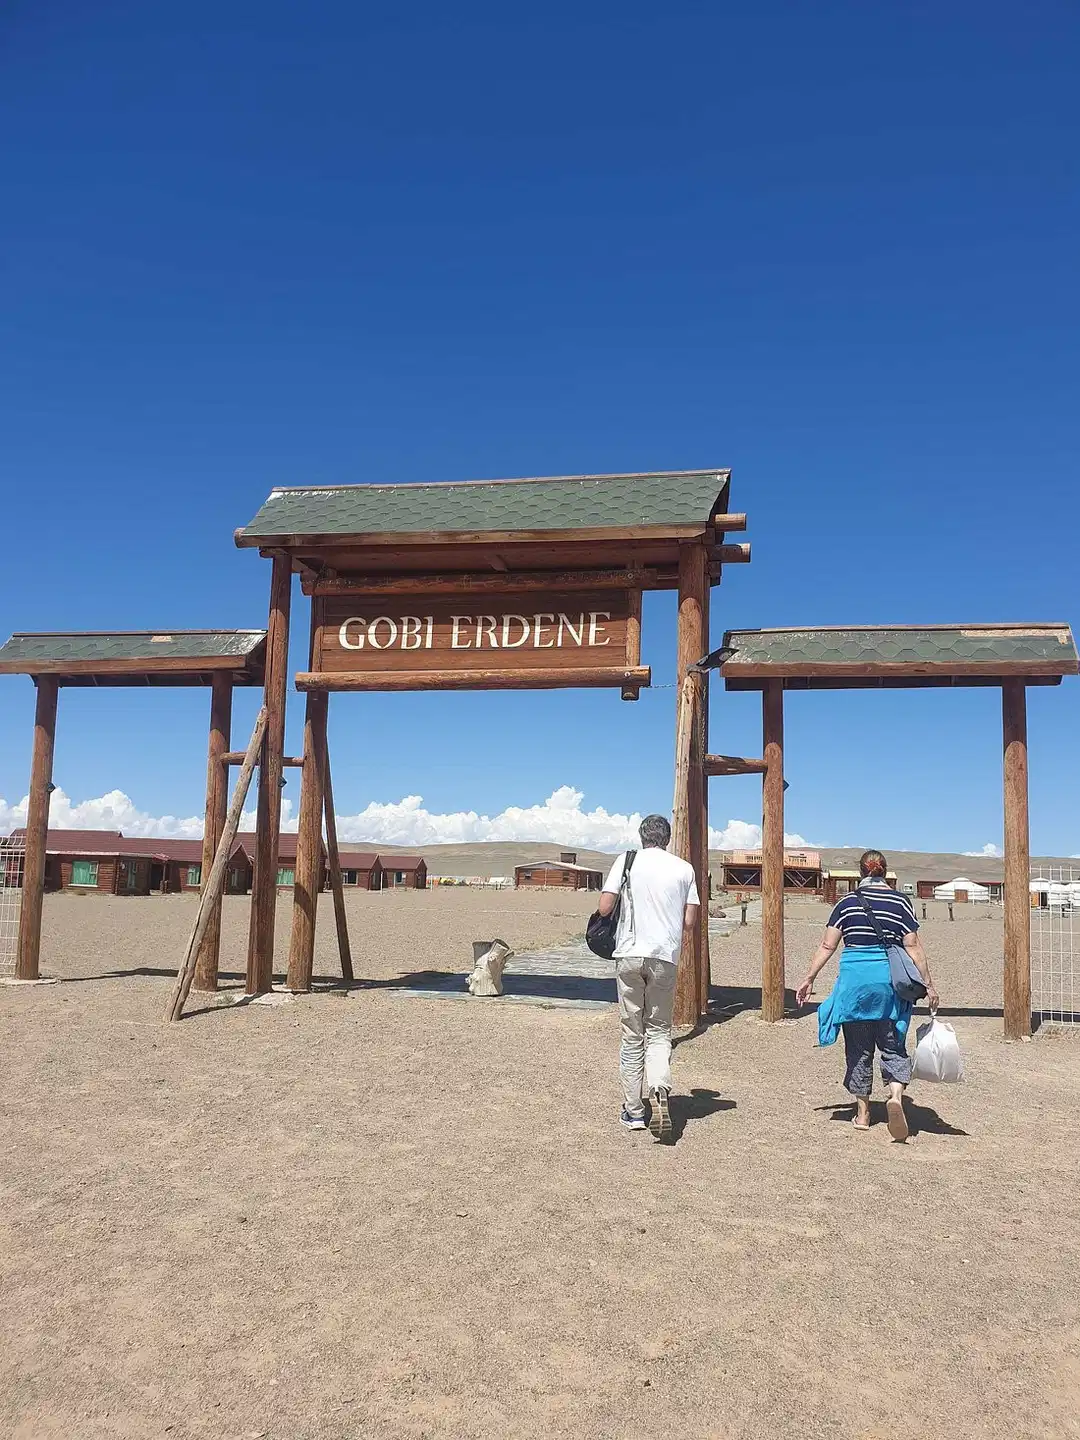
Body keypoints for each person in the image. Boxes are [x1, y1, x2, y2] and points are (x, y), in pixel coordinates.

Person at [795, 849, 939, 1142]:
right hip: (889, 983)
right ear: (885, 872)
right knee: (892, 1044)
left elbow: (828, 945)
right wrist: (929, 984)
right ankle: (895, 1096)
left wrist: (809, 978)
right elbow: (912, 946)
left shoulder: (846, 902)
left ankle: (862, 1114)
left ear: (860, 872)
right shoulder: (900, 901)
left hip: (855, 983)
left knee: (859, 1048)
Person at [597, 814, 700, 1138]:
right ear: (667, 838)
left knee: (632, 1033)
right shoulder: (684, 869)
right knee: (658, 1031)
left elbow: (604, 907)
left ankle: (634, 1111)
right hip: (664, 957)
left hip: (629, 953)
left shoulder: (627, 861)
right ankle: (658, 1085)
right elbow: (689, 922)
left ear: (642, 837)